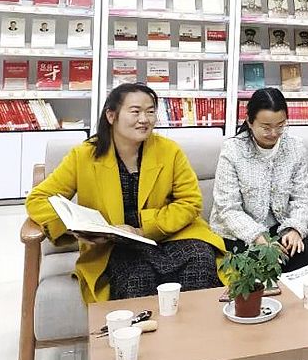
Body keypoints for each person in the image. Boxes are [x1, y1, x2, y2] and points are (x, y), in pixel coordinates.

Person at [25, 83, 225, 303]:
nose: (144, 119)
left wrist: (143, 229)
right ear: (111, 116)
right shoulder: (84, 156)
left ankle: (198, 325)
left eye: (150, 112)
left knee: (200, 260)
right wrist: (74, 228)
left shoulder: (169, 151)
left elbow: (190, 202)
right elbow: (38, 199)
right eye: (135, 111)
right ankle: (144, 326)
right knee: (137, 276)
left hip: (173, 235)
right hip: (115, 245)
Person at [210, 87, 308, 272]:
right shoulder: (233, 150)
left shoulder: (295, 147)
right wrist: (258, 238)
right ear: (250, 122)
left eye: (280, 125)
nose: (274, 133)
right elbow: (228, 208)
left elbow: (302, 198)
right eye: (266, 127)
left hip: (279, 227)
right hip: (239, 232)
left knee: (306, 258)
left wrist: (295, 229)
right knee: (262, 267)